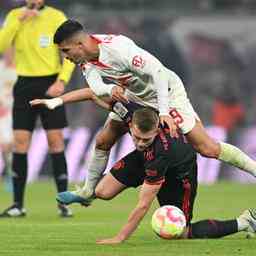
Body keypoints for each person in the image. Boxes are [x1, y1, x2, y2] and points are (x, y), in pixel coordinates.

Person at [49, 19, 256, 205]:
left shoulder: (118, 48)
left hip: (165, 93)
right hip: (136, 97)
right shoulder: (85, 59)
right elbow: (95, 84)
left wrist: (164, 112)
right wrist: (110, 89)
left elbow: (158, 72)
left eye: (66, 51)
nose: (65, 57)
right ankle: (86, 192)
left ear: (79, 44)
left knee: (207, 148)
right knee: (104, 139)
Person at [31, 96, 256, 245]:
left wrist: (119, 238)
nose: (139, 142)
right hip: (144, 160)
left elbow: (143, 204)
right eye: (136, 137)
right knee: (102, 192)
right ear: (131, 124)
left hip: (179, 173)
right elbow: (93, 93)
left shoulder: (160, 153)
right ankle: (89, 194)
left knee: (181, 233)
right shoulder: (131, 113)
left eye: (145, 139)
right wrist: (58, 100)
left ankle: (245, 221)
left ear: (157, 130)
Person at [0, 0, 75, 217]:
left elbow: (68, 51)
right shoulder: (15, 15)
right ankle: (17, 205)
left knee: (55, 141)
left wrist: (62, 81)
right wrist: (18, 23)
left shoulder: (56, 16)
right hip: (24, 84)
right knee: (20, 143)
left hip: (50, 83)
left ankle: (64, 202)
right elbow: (2, 46)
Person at [0, 48, 17, 191]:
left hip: (17, 112)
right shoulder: (0, 68)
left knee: (14, 145)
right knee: (5, 145)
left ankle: (12, 173)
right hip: (3, 113)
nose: (8, 54)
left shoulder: (22, 69)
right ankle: (10, 174)